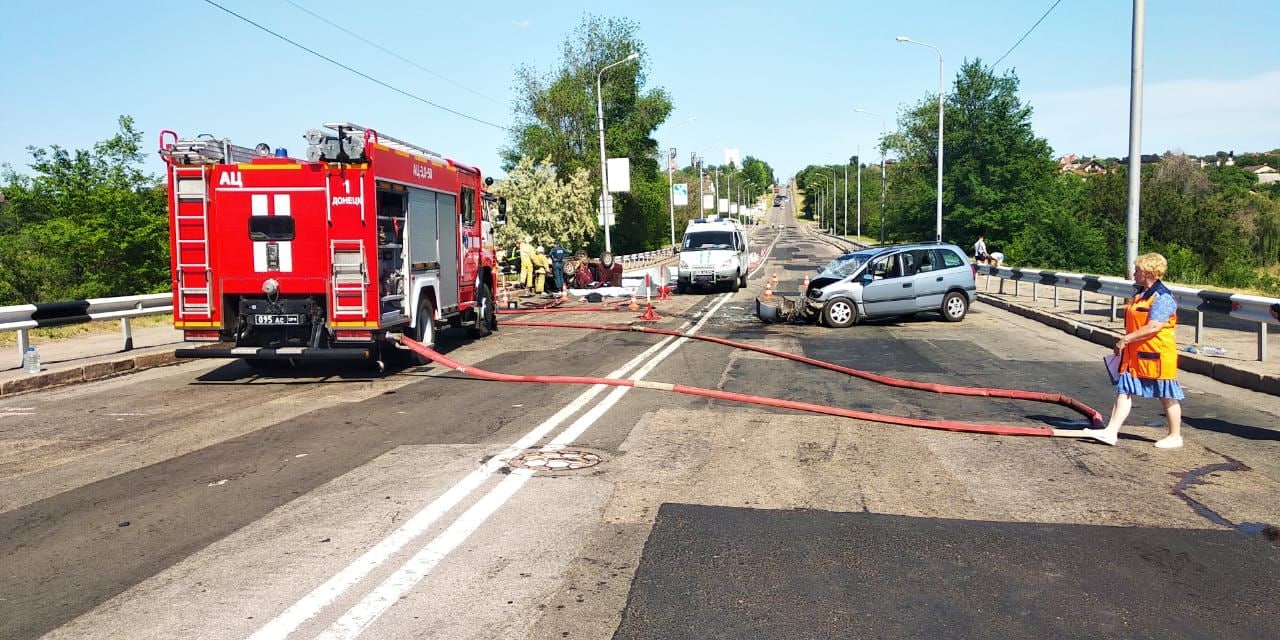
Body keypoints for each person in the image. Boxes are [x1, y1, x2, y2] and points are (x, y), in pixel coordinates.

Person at [1082, 252, 1185, 449]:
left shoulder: (1162, 297)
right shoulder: (1140, 295)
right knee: (1125, 390)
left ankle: (1175, 436)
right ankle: (1111, 431)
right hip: (1136, 355)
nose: (1134, 273)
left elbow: (1154, 327)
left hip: (1157, 355)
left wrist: (1126, 339)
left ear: (1148, 273)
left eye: (1137, 270)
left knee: (1167, 395)